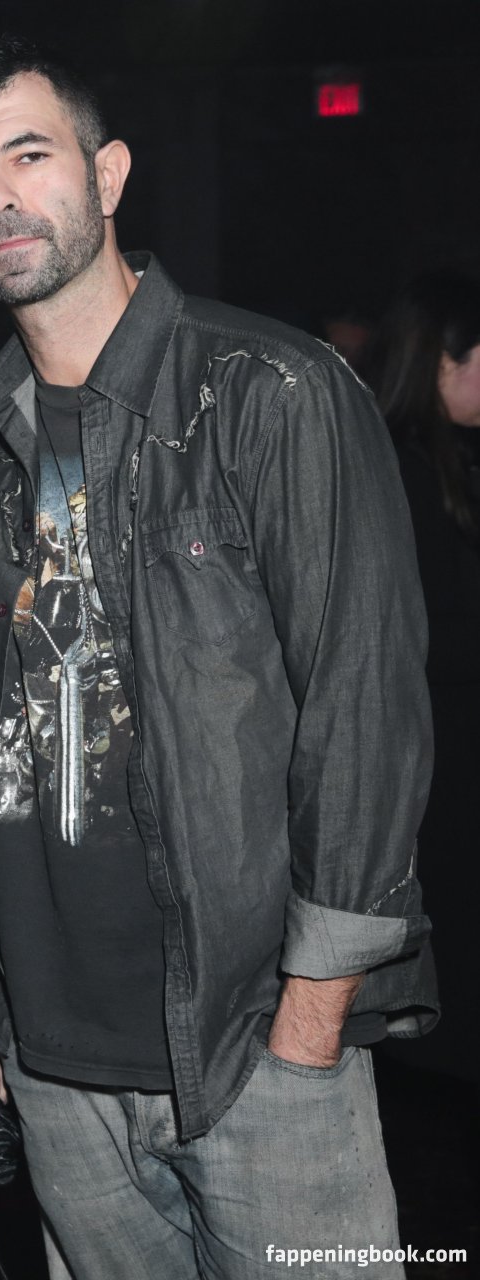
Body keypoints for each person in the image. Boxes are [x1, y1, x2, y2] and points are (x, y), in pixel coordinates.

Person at [0, 34, 435, 1279]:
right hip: (54, 1066)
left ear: (107, 173)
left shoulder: (270, 390)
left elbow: (362, 713)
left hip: (253, 1045)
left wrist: (308, 1021)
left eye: (27, 155)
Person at [369, 272, 479, 1083]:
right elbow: (403, 639)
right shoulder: (393, 469)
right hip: (433, 762)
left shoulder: (455, 457)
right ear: (444, 357)